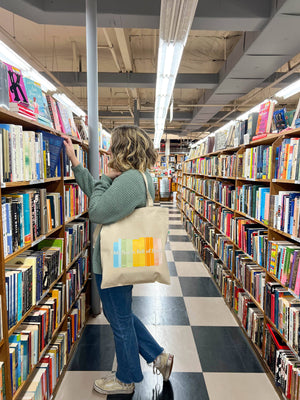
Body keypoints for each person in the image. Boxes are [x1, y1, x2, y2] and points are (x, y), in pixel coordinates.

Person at [63, 125, 174, 396]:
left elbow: (98, 210)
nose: (109, 149)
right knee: (120, 314)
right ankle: (159, 357)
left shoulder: (131, 180)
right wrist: (78, 165)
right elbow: (101, 196)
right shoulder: (135, 176)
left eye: (113, 145)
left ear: (124, 148)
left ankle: (126, 379)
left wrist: (105, 179)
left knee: (120, 320)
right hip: (120, 258)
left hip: (114, 260)